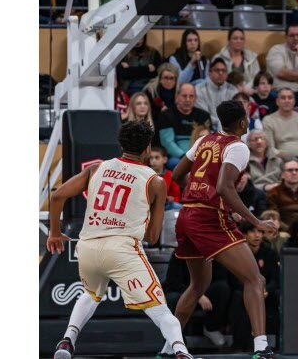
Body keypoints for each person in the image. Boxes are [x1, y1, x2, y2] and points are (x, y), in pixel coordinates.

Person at [46, 121, 196, 359]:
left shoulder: (97, 168)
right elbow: (154, 236)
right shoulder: (155, 181)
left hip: (87, 246)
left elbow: (57, 196)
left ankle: (67, 341)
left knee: (91, 293)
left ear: (121, 144)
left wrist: (54, 233)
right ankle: (180, 350)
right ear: (147, 149)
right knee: (160, 308)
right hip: (122, 248)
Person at [168, 101, 279, 358]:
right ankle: (261, 348)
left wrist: (197, 189)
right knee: (255, 279)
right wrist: (256, 221)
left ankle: (169, 347)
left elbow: (176, 175)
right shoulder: (238, 147)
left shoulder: (205, 140)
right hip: (208, 217)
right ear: (242, 122)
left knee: (198, 285)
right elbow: (224, 188)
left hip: (186, 215)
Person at [159, 83, 212, 169]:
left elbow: (209, 141)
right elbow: (167, 142)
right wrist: (185, 158)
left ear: (195, 98)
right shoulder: (166, 115)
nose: (188, 99)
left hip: (200, 155)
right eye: (184, 96)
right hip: (177, 157)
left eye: (191, 96)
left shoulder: (204, 115)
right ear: (177, 97)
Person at [261, 88, 298, 159]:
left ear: (294, 101)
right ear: (277, 101)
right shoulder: (268, 120)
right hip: (279, 159)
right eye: (283, 98)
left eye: (290, 98)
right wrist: (287, 157)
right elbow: (269, 149)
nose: (287, 101)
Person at [194, 58, 239, 130]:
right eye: (217, 70)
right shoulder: (199, 90)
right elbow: (203, 115)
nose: (220, 73)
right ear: (209, 73)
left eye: (223, 71)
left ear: (227, 74)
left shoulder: (233, 91)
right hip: (205, 127)